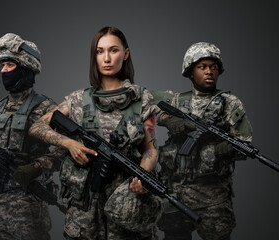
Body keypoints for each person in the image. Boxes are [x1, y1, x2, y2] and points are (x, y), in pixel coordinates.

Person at [29, 26, 162, 240]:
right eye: (100, 51)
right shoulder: (78, 100)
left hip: (126, 204)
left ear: (126, 54)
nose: (107, 58)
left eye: (114, 50)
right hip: (86, 212)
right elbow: (37, 127)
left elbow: (151, 150)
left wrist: (142, 175)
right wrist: (69, 144)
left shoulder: (143, 100)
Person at [155, 42, 253, 240]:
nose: (209, 72)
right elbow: (144, 102)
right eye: (203, 67)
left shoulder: (229, 103)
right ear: (191, 72)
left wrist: (229, 149)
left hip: (212, 195)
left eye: (213, 67)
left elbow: (245, 144)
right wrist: (167, 119)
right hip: (175, 191)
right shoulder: (176, 100)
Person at [0, 33, 61, 240]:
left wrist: (38, 167)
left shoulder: (46, 108)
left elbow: (67, 149)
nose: (3, 71)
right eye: (2, 65)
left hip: (27, 206)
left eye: (9, 65)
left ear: (25, 67)